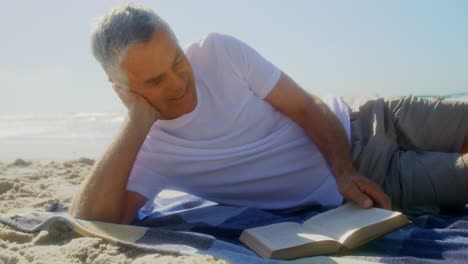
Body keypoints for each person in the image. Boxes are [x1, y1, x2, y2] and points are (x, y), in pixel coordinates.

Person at [70, 4, 468, 224]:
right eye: (155, 81)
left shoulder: (217, 52)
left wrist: (344, 170)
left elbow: (305, 105)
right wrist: (139, 120)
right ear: (122, 89)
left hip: (371, 117)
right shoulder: (150, 153)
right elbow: (93, 219)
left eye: (177, 61)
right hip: (376, 181)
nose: (177, 84)